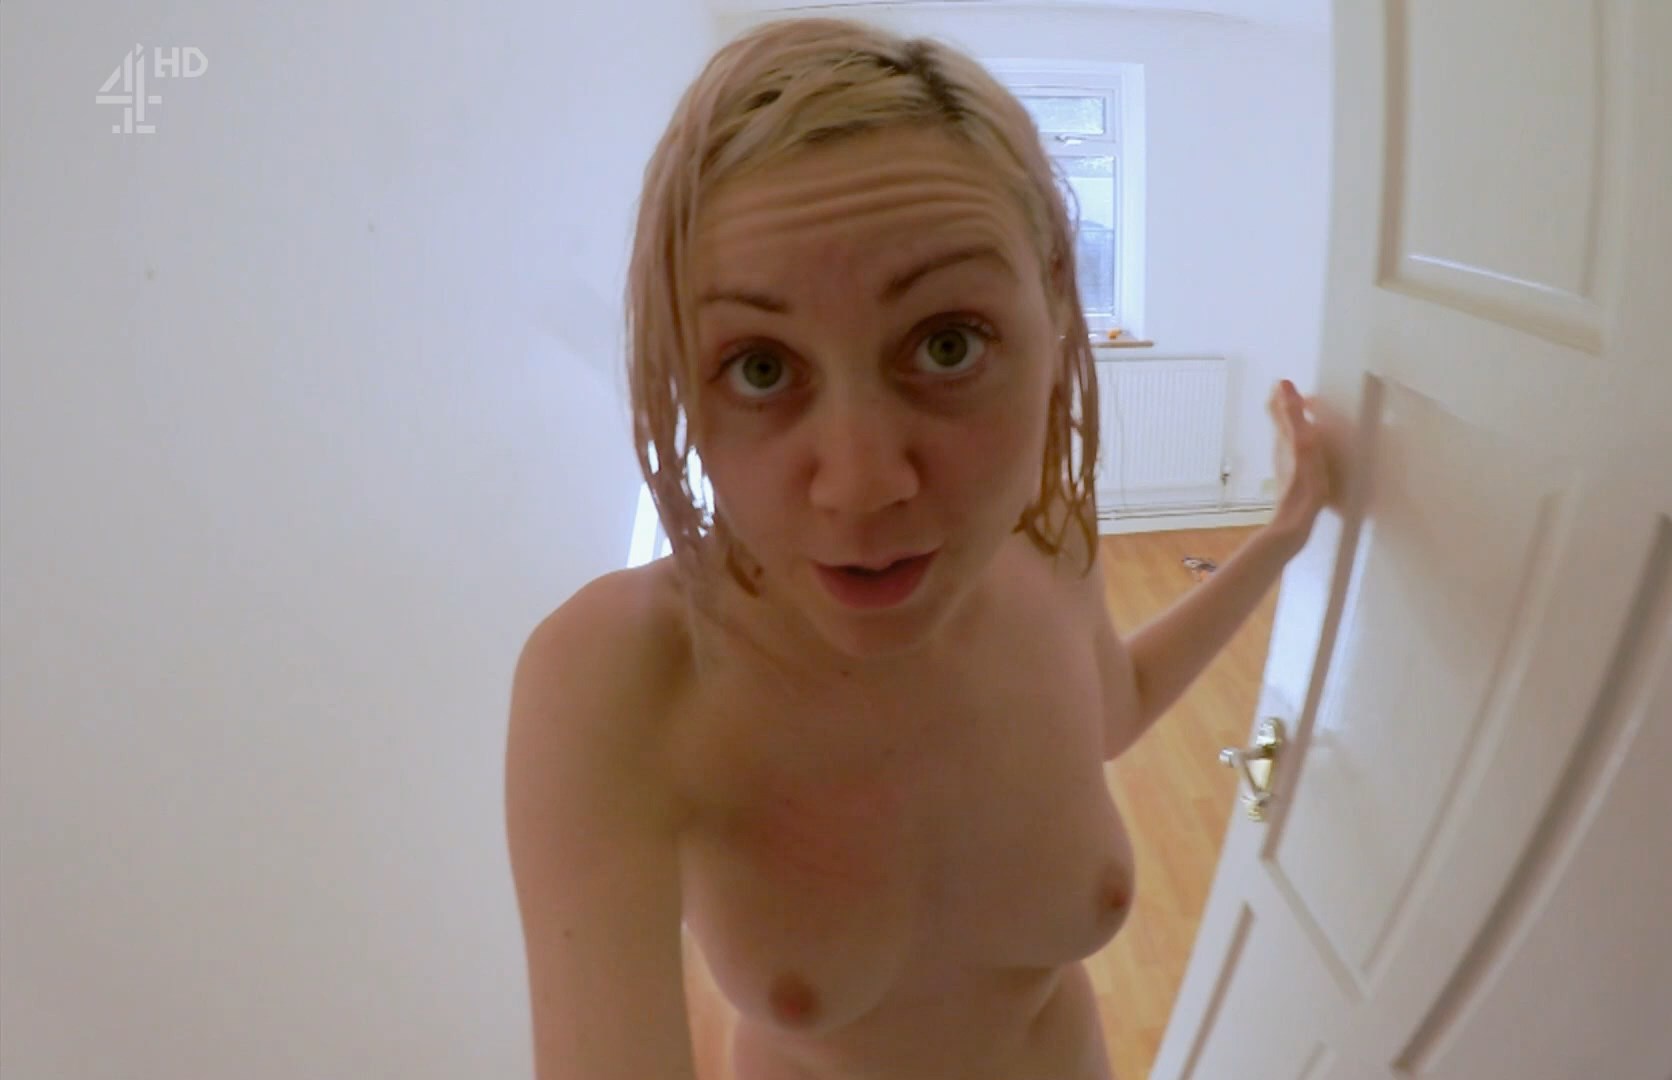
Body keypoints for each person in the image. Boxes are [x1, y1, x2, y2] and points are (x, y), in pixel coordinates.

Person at [504, 16, 1335, 1080]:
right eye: (761, 367)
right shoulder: (629, 678)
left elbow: (1112, 707)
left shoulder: (1047, 541)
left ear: (1053, 308)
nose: (862, 486)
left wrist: (1280, 537)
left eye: (947, 345)